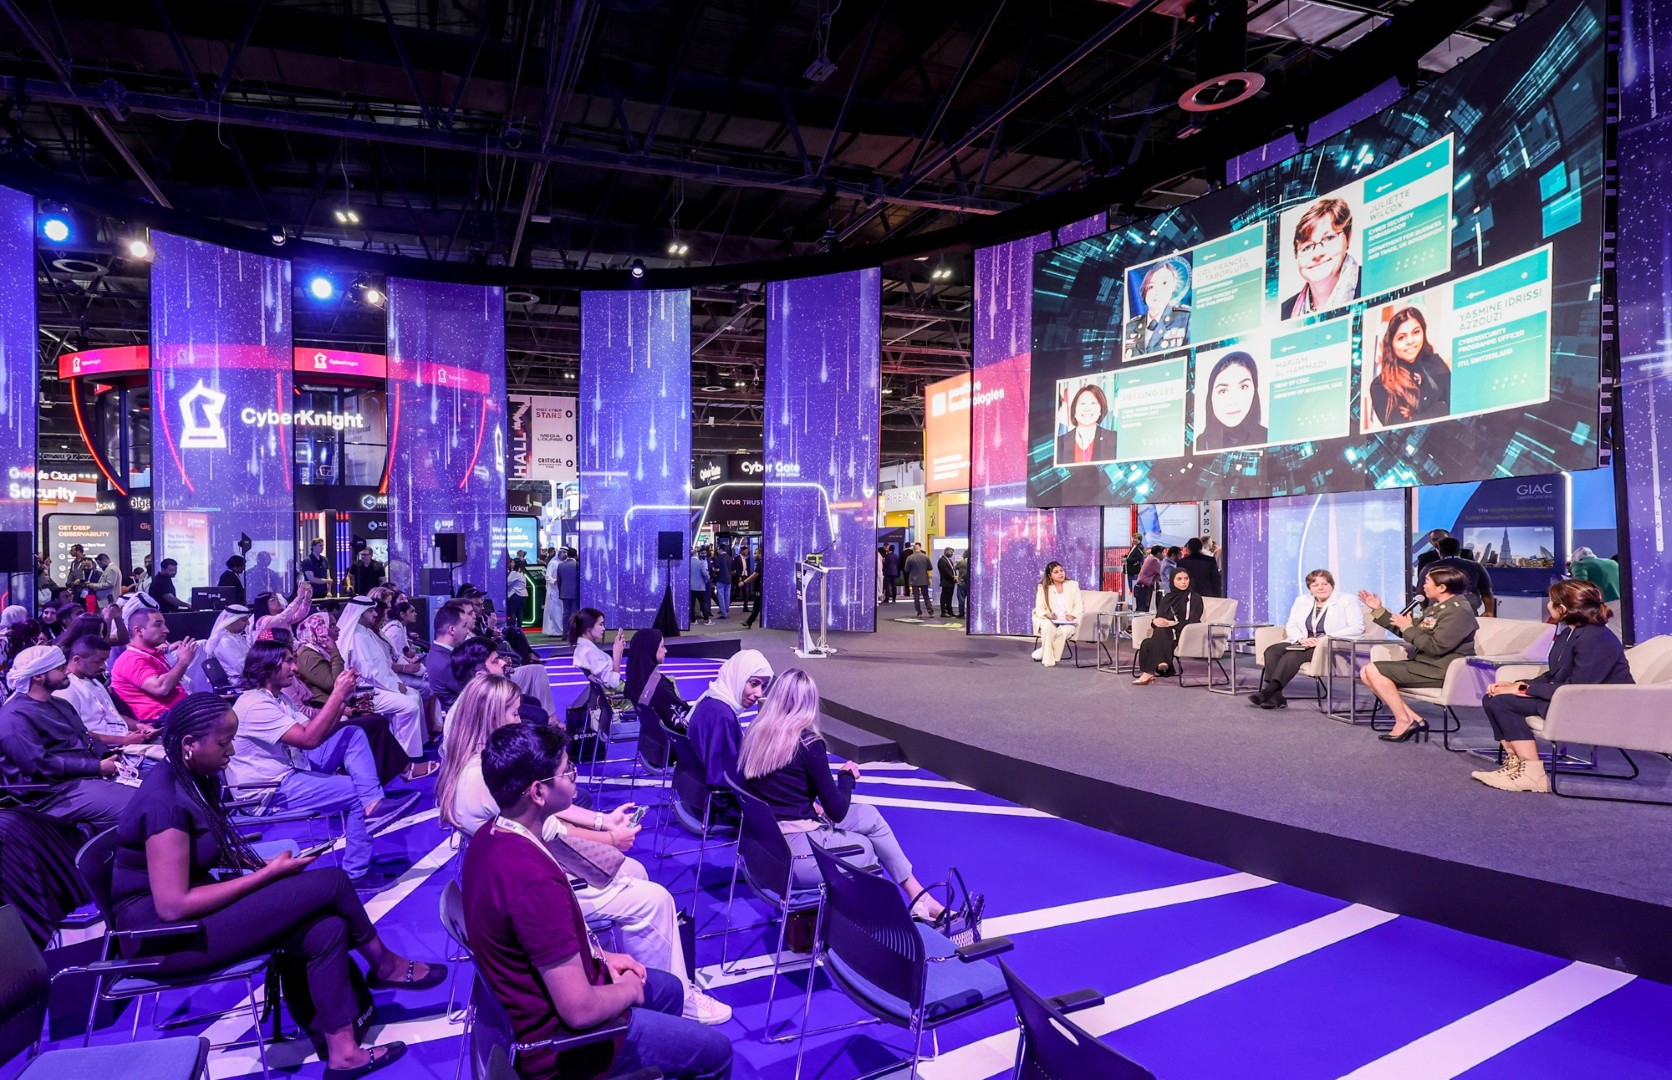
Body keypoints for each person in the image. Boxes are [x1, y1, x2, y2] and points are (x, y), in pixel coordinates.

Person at [112, 693, 442, 1077]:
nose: (232, 752)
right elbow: (173, 906)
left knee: (327, 929)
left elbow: (206, 851)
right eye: (223, 743)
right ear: (190, 744)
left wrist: (262, 866)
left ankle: (343, 1054)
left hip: (189, 918)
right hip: (164, 939)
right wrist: (265, 876)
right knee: (334, 882)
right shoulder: (164, 803)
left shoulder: (196, 777)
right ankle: (385, 964)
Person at [439, 677, 731, 1026]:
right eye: (514, 713)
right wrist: (609, 837)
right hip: (525, 898)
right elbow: (553, 825)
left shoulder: (479, 767)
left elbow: (550, 810)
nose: (520, 720)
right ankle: (673, 999)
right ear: (491, 716)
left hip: (502, 888)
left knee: (634, 873)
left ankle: (640, 974)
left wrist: (602, 822)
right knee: (654, 899)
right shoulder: (487, 783)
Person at [461, 723, 735, 1079]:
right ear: (538, 792)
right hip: (566, 1049)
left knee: (670, 990)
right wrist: (627, 991)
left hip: (543, 1006)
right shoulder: (534, 882)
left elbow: (538, 947)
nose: (573, 777)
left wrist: (600, 956)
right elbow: (579, 1010)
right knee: (718, 1053)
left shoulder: (488, 838)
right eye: (566, 771)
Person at [740, 669, 945, 921]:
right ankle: (869, 929)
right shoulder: (807, 743)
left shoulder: (755, 734)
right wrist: (846, 777)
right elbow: (836, 810)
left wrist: (807, 803)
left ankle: (921, 898)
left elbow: (776, 788)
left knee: (869, 815)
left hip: (764, 849)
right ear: (809, 703)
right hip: (795, 856)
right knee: (866, 848)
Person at [231, 641, 411, 886]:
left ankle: (373, 804)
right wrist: (336, 695)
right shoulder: (255, 705)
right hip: (269, 790)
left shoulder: (278, 698)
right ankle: (356, 874)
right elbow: (309, 739)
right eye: (288, 661)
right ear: (268, 666)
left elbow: (316, 730)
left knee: (352, 734)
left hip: (292, 766)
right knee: (353, 792)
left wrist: (343, 699)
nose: (295, 668)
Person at [1471, 579, 1632, 793]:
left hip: (1595, 705)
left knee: (1504, 703)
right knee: (1493, 698)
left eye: (1551, 601)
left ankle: (1533, 773)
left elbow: (1579, 688)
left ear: (1562, 608)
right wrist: (1518, 684)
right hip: (1570, 697)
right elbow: (1556, 674)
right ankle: (1516, 763)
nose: (1548, 605)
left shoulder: (1595, 637)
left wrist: (1522, 690)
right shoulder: (1570, 633)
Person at [0, 644, 134, 829]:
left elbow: (83, 738)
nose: (68, 672)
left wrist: (108, 756)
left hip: (84, 779)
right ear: (38, 676)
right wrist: (97, 767)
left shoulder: (60, 703)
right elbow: (40, 766)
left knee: (154, 789)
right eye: (60, 668)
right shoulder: (14, 717)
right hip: (53, 795)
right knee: (139, 806)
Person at [1357, 565, 1479, 743]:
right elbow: (1410, 632)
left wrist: (1407, 627)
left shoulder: (1458, 611)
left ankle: (1403, 720)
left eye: (1427, 582)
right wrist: (1379, 609)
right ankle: (1412, 718)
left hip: (1441, 669)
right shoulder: (1439, 608)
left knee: (1372, 670)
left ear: (1442, 587)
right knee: (1365, 672)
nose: (1423, 586)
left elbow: (1436, 647)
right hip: (1425, 664)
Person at [1249, 570, 1366, 709]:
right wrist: (1301, 638)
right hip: (1304, 641)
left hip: (1328, 644)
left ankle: (1268, 692)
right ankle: (1276, 697)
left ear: (1332, 585)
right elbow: (1291, 625)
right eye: (1315, 585)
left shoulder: (1347, 600)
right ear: (1310, 588)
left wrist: (1325, 638)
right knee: (1272, 651)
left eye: (1325, 584)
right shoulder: (1302, 601)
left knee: (1293, 655)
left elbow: (1357, 627)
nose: (1320, 588)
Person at [336, 597, 425, 757]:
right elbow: (370, 672)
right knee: (409, 705)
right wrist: (395, 686)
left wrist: (396, 683)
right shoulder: (357, 637)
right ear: (361, 613)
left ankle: (412, 750)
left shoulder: (366, 633)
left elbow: (384, 665)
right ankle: (404, 757)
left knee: (414, 694)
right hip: (364, 691)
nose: (375, 614)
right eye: (371, 611)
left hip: (379, 684)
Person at [54, 634, 160, 753]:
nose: (104, 667)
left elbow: (113, 716)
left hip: (125, 742)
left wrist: (141, 726)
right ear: (77, 660)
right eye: (98, 662)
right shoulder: (66, 688)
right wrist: (124, 740)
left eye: (105, 661)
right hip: (106, 751)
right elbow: (76, 733)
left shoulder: (93, 680)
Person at [686, 650, 773, 790]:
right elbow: (724, 778)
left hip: (693, 789)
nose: (759, 693)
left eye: (764, 686)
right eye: (754, 683)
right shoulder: (722, 716)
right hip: (716, 797)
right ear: (737, 677)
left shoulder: (711, 701)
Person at [111, 605, 199, 724]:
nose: (166, 630)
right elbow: (160, 688)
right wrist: (183, 662)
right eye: (158, 625)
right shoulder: (131, 659)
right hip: (164, 722)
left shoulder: (150, 653)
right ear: (139, 631)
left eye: (164, 624)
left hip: (179, 714)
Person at [1370, 306, 1450, 427]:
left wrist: (1415, 416)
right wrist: (1441, 407)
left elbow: (1456, 405)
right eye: (1401, 337)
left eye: (1416, 332)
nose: (1410, 341)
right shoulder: (1380, 385)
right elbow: (1400, 429)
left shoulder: (1436, 362)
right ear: (1391, 344)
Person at [1281, 196, 1360, 319]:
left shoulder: (1373, 283)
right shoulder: (1284, 311)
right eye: (1307, 247)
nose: (1317, 254)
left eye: (1329, 238)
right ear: (1296, 255)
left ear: (1348, 237)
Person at [1135, 569, 1203, 685]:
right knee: (1149, 640)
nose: (1183, 582)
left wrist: (1173, 624)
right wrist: (1156, 621)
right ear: (1172, 581)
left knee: (1151, 640)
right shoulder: (1167, 598)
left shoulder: (1195, 598)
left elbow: (1195, 621)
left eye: (1186, 579)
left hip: (1184, 634)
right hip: (1167, 636)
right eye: (1179, 579)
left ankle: (1155, 668)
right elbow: (1159, 618)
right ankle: (1157, 667)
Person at [1195, 351, 1267, 452]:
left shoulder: (1269, 437)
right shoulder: (1199, 444)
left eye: (1243, 387)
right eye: (1223, 391)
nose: (1233, 401)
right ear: (1210, 397)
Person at [1123, 260, 1191, 357]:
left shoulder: (1186, 318)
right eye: (1151, 286)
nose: (1156, 291)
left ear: (1173, 287)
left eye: (1164, 283)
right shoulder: (1130, 327)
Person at [625, 629, 688, 732]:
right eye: (662, 646)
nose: (665, 650)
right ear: (651, 649)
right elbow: (684, 722)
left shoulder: (633, 680)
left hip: (650, 737)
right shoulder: (660, 688)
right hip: (673, 738)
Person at [1030, 562, 1082, 669]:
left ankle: (1046, 649)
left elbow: (1079, 606)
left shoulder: (1073, 585)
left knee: (1063, 631)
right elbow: (1039, 608)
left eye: (1061, 571)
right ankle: (1049, 661)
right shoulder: (1043, 587)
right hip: (1049, 619)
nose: (1060, 573)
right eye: (1056, 572)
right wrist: (1047, 614)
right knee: (1048, 627)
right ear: (1050, 575)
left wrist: (1072, 615)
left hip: (1067, 622)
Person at [1428, 536, 1495, 616]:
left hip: (1437, 613)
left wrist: (1426, 611)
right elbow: (1487, 591)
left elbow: (1420, 592)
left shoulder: (1430, 567)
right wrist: (1489, 611)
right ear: (1459, 550)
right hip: (1468, 613)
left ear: (1440, 551)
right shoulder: (1476, 566)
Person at [426, 601, 475, 711]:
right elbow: (471, 690)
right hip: (462, 712)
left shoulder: (437, 652)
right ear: (452, 629)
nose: (467, 631)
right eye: (464, 626)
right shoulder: (445, 662)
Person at [1054, 383, 1118, 465]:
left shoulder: (1115, 439)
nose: (1087, 408)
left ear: (1100, 410)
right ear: (1074, 411)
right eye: (1082, 403)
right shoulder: (1059, 443)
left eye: (1093, 403)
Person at [570, 607, 626, 692]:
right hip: (619, 696)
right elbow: (614, 683)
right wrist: (617, 654)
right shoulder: (590, 652)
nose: (603, 628)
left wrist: (619, 650)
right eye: (600, 624)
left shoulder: (582, 648)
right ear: (588, 627)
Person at [204, 603, 255, 684]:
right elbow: (242, 668)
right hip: (238, 684)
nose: (248, 623)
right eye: (244, 620)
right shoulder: (225, 641)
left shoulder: (236, 637)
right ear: (232, 620)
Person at [904, 544, 932, 617]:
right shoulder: (925, 557)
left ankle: (919, 612)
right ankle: (930, 611)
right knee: (926, 596)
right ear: (920, 549)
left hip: (914, 580)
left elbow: (906, 569)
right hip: (924, 580)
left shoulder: (909, 558)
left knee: (916, 597)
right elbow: (930, 567)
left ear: (913, 549)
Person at [1133, 545, 1163, 613]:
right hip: (1143, 588)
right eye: (1163, 553)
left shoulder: (1150, 558)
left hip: (1142, 587)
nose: (1164, 555)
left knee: (1143, 610)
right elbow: (1163, 572)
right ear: (1158, 553)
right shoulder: (1154, 560)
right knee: (1142, 612)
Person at [506, 559, 529, 632]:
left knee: (512, 612)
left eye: (513, 562)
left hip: (516, 595)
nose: (511, 564)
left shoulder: (514, 573)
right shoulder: (521, 572)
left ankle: (512, 630)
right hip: (524, 595)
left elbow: (507, 582)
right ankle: (519, 629)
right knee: (519, 612)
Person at [689, 552, 712, 626]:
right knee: (703, 603)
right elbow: (705, 573)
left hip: (690, 587)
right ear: (697, 555)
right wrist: (707, 579)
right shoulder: (701, 563)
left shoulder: (688, 562)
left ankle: (693, 620)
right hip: (700, 587)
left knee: (692, 605)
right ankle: (706, 620)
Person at [936, 548, 958, 618]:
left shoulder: (949, 560)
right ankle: (943, 612)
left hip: (951, 582)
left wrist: (955, 576)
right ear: (946, 552)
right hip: (946, 582)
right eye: (951, 552)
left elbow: (952, 570)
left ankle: (950, 611)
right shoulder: (942, 560)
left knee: (949, 598)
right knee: (944, 598)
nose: (952, 554)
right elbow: (945, 572)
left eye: (952, 552)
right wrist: (953, 577)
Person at [954, 549, 970, 619]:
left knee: (961, 600)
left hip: (961, 583)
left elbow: (955, 567)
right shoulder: (974, 561)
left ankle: (961, 614)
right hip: (970, 584)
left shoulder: (961, 562)